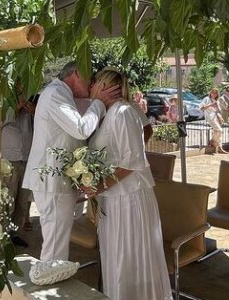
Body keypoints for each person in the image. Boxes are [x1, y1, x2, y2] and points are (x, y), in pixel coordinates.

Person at [83, 69, 173, 300]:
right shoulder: (109, 113)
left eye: (93, 82)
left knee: (129, 258)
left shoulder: (123, 112)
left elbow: (131, 162)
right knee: (117, 259)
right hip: (112, 199)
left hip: (128, 200)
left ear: (104, 86)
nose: (89, 86)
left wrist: (98, 186)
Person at [22, 61, 121, 262]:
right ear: (77, 73)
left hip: (56, 180)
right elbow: (81, 128)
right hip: (52, 180)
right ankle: (49, 282)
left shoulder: (64, 94)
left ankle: (51, 277)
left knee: (57, 239)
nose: (92, 83)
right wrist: (100, 103)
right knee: (55, 242)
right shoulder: (55, 93)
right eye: (90, 78)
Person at [1, 85, 37, 247]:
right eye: (20, 89)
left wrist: (35, 112)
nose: (23, 92)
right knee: (8, 201)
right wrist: (15, 109)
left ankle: (13, 234)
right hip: (10, 159)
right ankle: (0, 238)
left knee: (22, 203)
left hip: (28, 158)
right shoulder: (4, 103)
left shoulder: (35, 102)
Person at [199, 88, 228, 154]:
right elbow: (201, 108)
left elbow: (217, 111)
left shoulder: (216, 100)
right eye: (213, 92)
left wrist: (220, 117)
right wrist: (211, 105)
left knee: (217, 132)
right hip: (210, 117)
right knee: (220, 130)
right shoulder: (206, 99)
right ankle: (212, 141)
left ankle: (220, 148)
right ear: (210, 93)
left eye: (215, 93)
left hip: (216, 117)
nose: (214, 94)